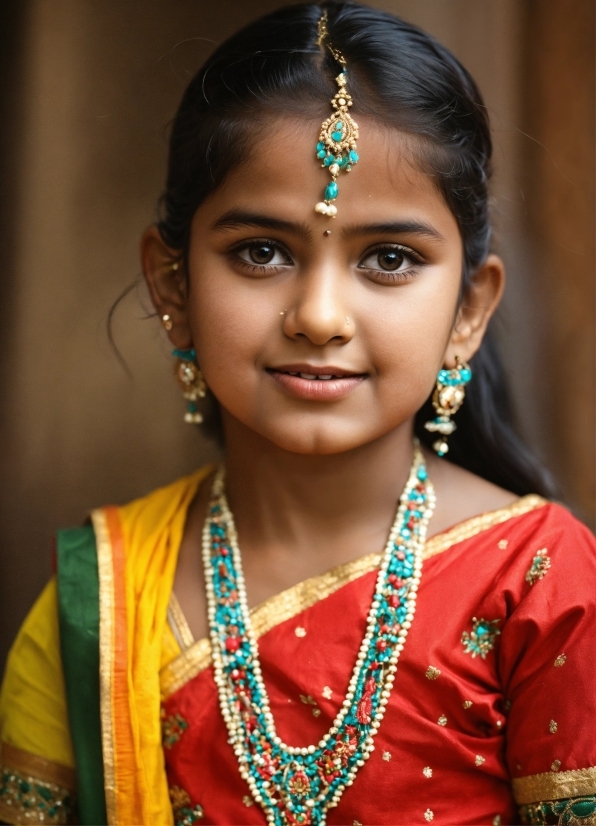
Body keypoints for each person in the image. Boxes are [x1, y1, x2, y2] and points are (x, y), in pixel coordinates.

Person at [1, 3, 595, 824]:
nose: (319, 315)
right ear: (172, 285)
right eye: (262, 252)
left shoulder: (542, 585)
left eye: (389, 259)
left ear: (469, 309)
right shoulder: (95, 608)